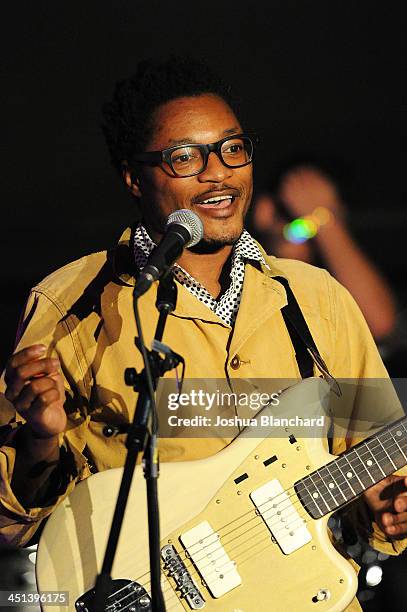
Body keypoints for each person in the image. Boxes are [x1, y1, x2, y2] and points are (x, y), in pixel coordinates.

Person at [0, 57, 406, 611]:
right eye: (185, 157)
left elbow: (377, 473)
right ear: (132, 176)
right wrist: (39, 442)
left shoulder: (317, 299)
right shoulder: (73, 302)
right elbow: (8, 526)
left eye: (233, 148)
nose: (218, 172)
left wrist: (388, 512)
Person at [253, 164, 397, 343]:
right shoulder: (237, 274)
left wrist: (324, 219)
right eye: (294, 215)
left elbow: (381, 323)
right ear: (264, 210)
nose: (304, 229)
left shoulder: (335, 288)